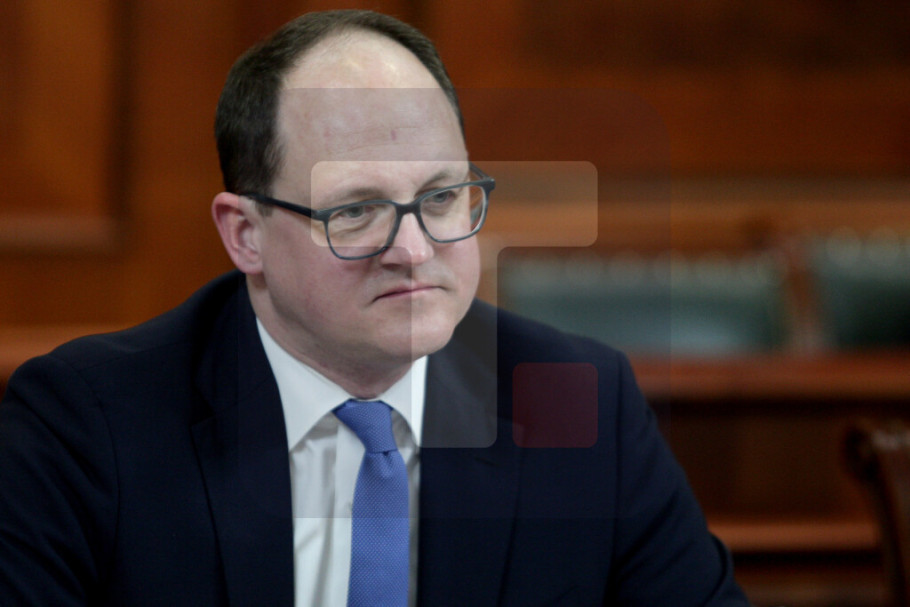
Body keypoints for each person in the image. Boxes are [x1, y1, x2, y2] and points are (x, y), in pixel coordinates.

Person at [0, 9, 750, 606]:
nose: (415, 249)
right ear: (246, 234)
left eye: (441, 197)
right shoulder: (86, 426)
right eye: (356, 211)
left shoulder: (575, 399)